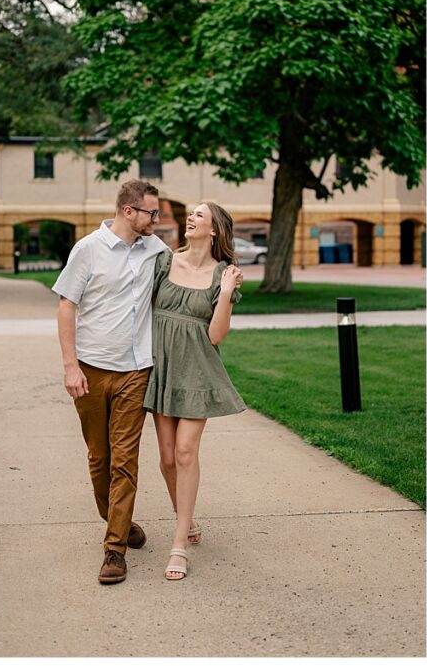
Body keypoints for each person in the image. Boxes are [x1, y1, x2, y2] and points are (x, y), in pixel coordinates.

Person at [53, 180, 169, 584]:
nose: (158, 219)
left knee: (125, 461)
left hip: (137, 370)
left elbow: (188, 277)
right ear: (128, 211)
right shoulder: (88, 249)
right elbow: (67, 306)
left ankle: (114, 549)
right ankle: (119, 519)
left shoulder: (158, 251)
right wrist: (71, 366)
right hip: (91, 368)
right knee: (99, 460)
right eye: (152, 212)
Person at [143, 202, 246, 580]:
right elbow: (145, 310)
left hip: (198, 370)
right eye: (191, 214)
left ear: (215, 229)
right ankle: (187, 518)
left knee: (186, 452)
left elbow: (216, 335)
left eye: (199, 215)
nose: (190, 218)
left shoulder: (226, 274)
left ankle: (178, 545)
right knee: (168, 458)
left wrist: (224, 293)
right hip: (164, 366)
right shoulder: (165, 262)